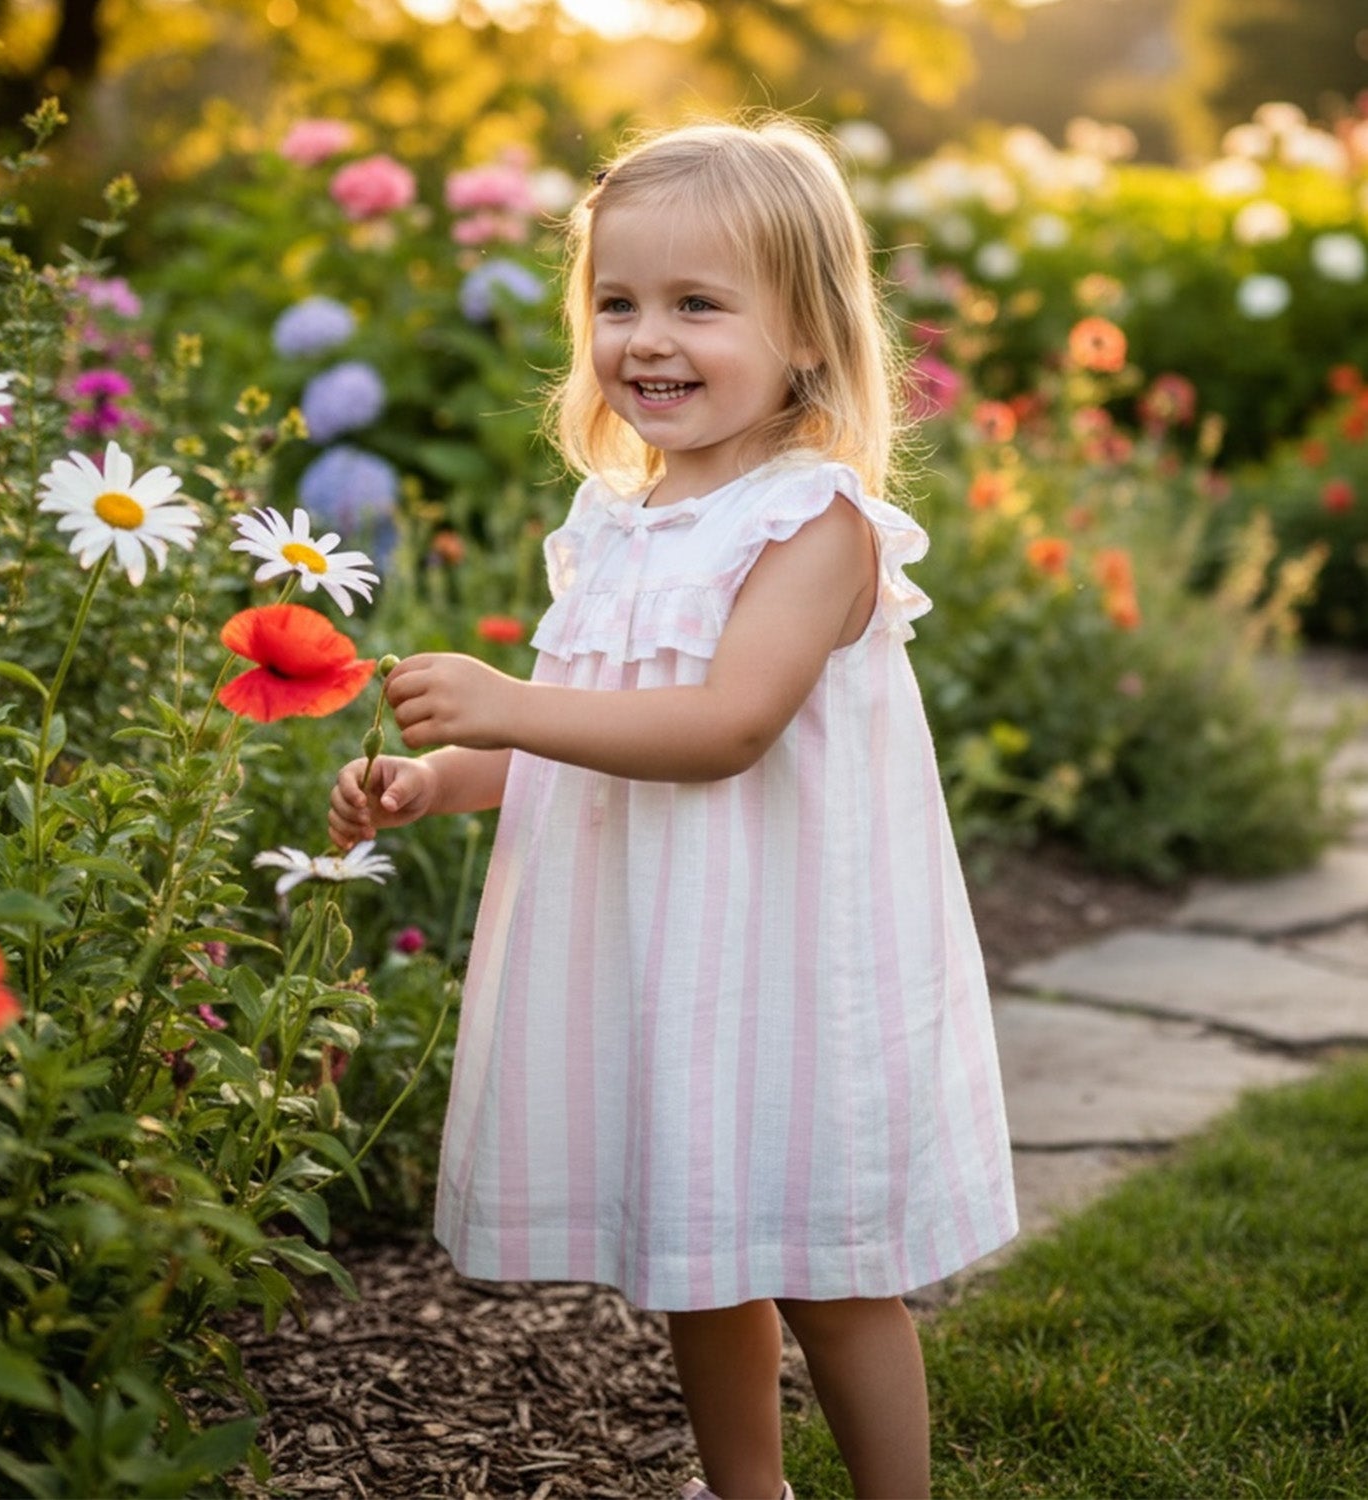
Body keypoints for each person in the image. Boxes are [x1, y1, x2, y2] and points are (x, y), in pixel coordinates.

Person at [328, 117, 1018, 1500]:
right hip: (672, 961)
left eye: (699, 305)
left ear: (806, 333)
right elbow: (588, 726)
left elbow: (724, 728)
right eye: (618, 302)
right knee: (700, 1256)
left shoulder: (814, 523)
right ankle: (745, 1489)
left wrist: (506, 704)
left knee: (830, 1275)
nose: (648, 339)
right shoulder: (618, 519)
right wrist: (442, 779)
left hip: (786, 967)